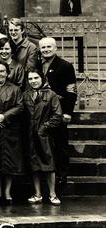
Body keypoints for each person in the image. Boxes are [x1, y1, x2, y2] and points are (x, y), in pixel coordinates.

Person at [40, 37, 77, 183]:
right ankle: (45, 173)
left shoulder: (66, 66)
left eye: (49, 47)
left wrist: (68, 112)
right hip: (41, 110)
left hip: (59, 110)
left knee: (60, 143)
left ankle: (62, 174)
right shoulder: (36, 64)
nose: (46, 50)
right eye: (43, 47)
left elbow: (71, 91)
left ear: (55, 48)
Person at [0, 59, 24, 204]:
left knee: (8, 162)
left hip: (10, 129)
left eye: (2, 71)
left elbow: (20, 106)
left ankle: (7, 192)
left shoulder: (15, 89)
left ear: (7, 73)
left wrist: (5, 116)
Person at [24, 69, 63, 206]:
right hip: (30, 135)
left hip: (45, 135)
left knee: (49, 164)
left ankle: (52, 194)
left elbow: (57, 115)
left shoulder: (51, 94)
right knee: (34, 164)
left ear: (42, 78)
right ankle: (37, 194)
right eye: (30, 79)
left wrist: (44, 127)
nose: (33, 81)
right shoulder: (25, 95)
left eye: (36, 78)